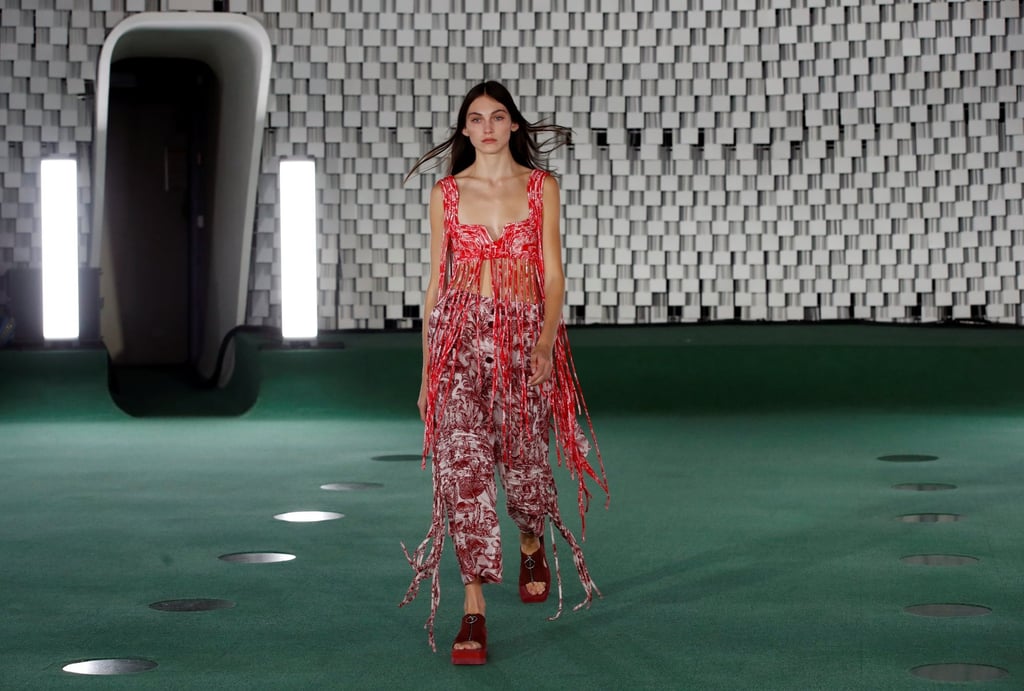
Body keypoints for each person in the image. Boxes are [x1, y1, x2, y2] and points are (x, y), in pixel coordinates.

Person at [399, 81, 609, 665]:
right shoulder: (447, 193)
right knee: (463, 471)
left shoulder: (542, 187)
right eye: (476, 118)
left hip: (522, 336)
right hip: (457, 339)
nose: (487, 127)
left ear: (514, 124)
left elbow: (554, 275)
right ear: (464, 129)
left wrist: (545, 342)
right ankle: (473, 607)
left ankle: (530, 537)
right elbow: (436, 284)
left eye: (497, 117)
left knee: (523, 467)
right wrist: (426, 375)